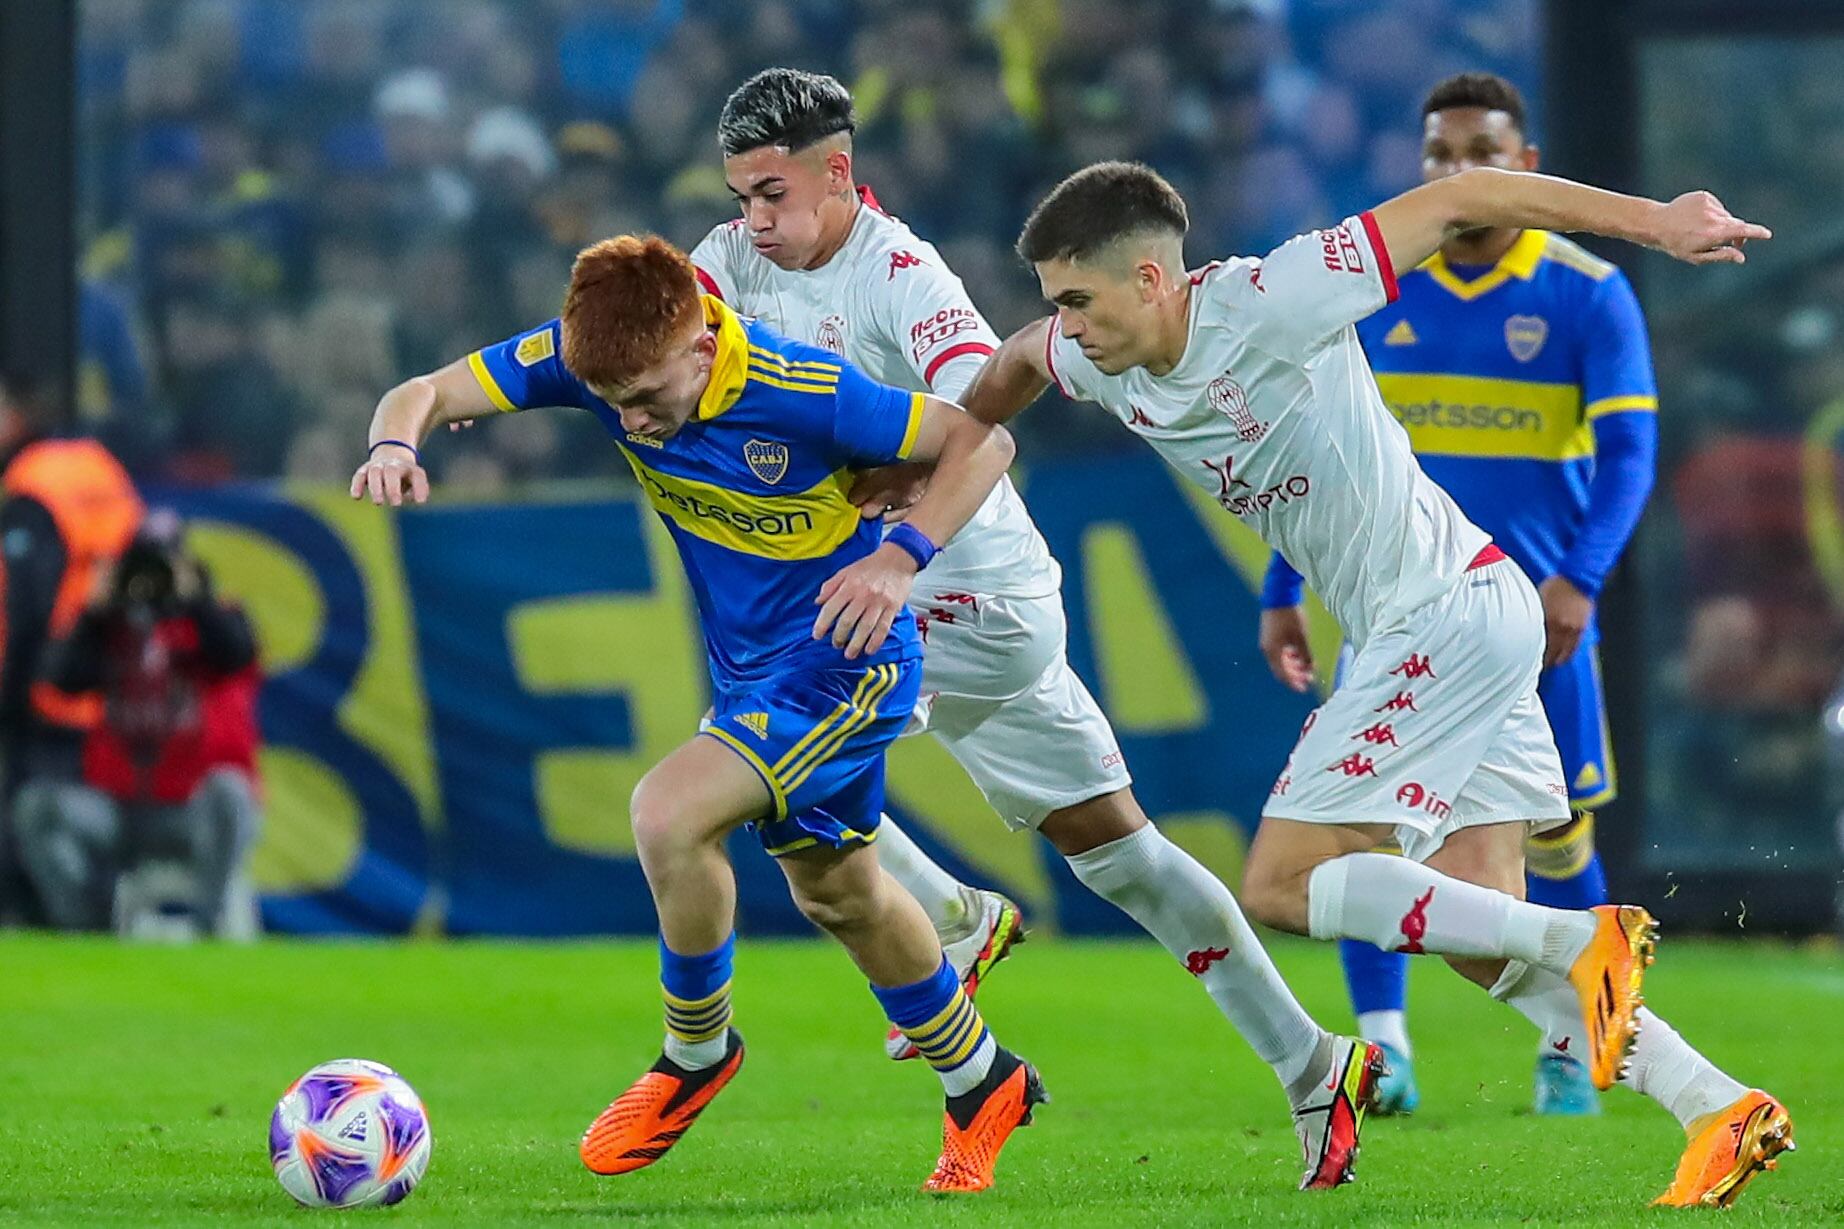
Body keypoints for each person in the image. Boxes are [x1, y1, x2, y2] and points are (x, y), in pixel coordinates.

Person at [956, 158, 1792, 1207]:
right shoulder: (1095, 357)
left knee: (1281, 883)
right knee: (1475, 932)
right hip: (1472, 610)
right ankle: (1713, 1102)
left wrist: (1656, 223)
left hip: (1435, 614)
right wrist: (924, 449)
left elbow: (1459, 196)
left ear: (1150, 278)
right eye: (1054, 302)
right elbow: (1010, 371)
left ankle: (1580, 934)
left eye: (1077, 297)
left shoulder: (1273, 296)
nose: (1064, 322)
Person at [691, 81, 1377, 1185]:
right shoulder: (726, 263)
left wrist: (898, 537)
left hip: (962, 592)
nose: (754, 217)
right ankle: (1312, 1062)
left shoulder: (901, 276)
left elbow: (980, 420)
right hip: (896, 600)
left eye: (773, 192)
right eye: (739, 195)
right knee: (1124, 853)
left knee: (753, 762)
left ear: (836, 174)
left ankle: (956, 920)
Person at [352, 234, 1039, 1193]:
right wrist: (395, 441)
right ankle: (985, 1080)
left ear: (703, 350)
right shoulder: (594, 357)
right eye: (613, 405)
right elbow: (421, 390)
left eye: (646, 400)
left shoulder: (803, 390)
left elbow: (984, 438)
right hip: (751, 676)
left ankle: (696, 1051)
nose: (633, 424)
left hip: (845, 666)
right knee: (839, 893)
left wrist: (899, 557)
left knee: (666, 815)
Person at [1259, 73, 1659, 1117]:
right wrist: (1281, 586)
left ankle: (1573, 1050)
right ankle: (1383, 1047)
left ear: (1522, 165)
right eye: (1436, 154)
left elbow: (1627, 454)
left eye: (1476, 148)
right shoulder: (1378, 291)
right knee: (1368, 830)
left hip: (1534, 616)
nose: (1453, 170)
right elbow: (1322, 457)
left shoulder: (1583, 291)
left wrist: (1580, 578)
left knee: (1554, 835)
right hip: (1392, 613)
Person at [14, 511, 263, 939]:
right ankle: (88, 932)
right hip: (119, 809)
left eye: (164, 565)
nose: (152, 579)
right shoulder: (109, 627)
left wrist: (194, 599)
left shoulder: (215, 619)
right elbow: (59, 678)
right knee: (37, 807)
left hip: (188, 810)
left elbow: (237, 654)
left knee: (232, 793)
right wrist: (95, 611)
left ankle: (207, 926)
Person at [0, 376, 143, 924]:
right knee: (91, 835)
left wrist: (11, 693)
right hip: (113, 686)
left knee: (31, 833)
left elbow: (28, 604)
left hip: (48, 688)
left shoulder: (34, 487)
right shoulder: (99, 468)